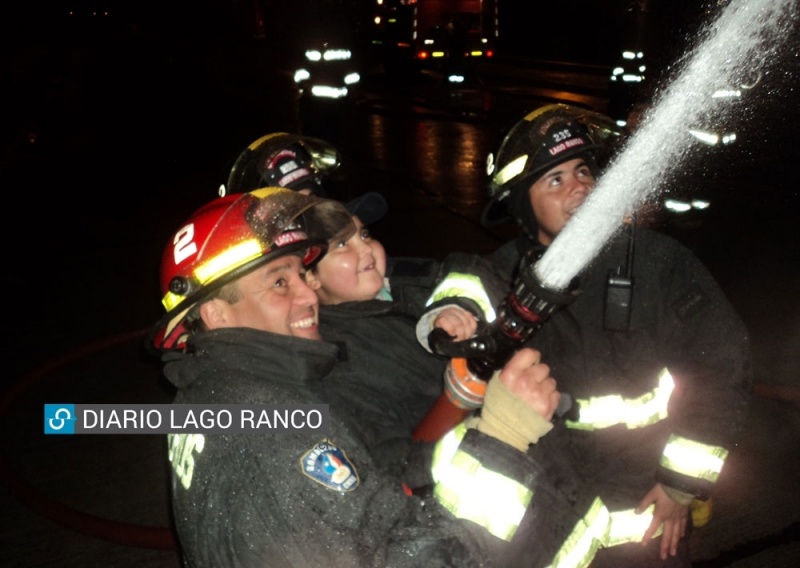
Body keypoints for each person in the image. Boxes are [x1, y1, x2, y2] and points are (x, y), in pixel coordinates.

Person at [150, 186, 609, 568]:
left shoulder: (212, 393)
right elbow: (417, 556)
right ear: (215, 314)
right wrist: (503, 438)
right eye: (278, 283)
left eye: (299, 274)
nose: (307, 295)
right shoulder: (276, 424)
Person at [417, 103, 753, 567]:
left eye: (582, 171)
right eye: (554, 180)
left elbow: (720, 365)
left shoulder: (657, 262)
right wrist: (455, 310)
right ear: (522, 204)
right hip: (551, 498)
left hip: (646, 509)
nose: (578, 187)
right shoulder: (512, 275)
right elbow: (465, 281)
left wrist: (680, 484)